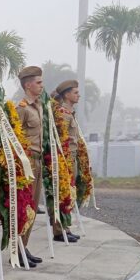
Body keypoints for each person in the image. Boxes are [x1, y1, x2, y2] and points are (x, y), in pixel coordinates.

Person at [14, 66, 46, 266]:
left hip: (38, 160)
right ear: (28, 85)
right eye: (39, 82)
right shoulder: (22, 108)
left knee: (33, 207)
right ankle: (16, 250)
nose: (42, 86)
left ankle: (23, 247)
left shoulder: (39, 106)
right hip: (27, 163)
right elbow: (15, 137)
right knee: (24, 207)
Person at [51, 80, 80, 242]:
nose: (78, 95)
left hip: (71, 157)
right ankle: (58, 229)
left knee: (69, 193)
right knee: (61, 193)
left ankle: (65, 227)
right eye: (75, 92)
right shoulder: (62, 113)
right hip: (65, 158)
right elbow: (61, 138)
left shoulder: (69, 113)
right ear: (67, 95)